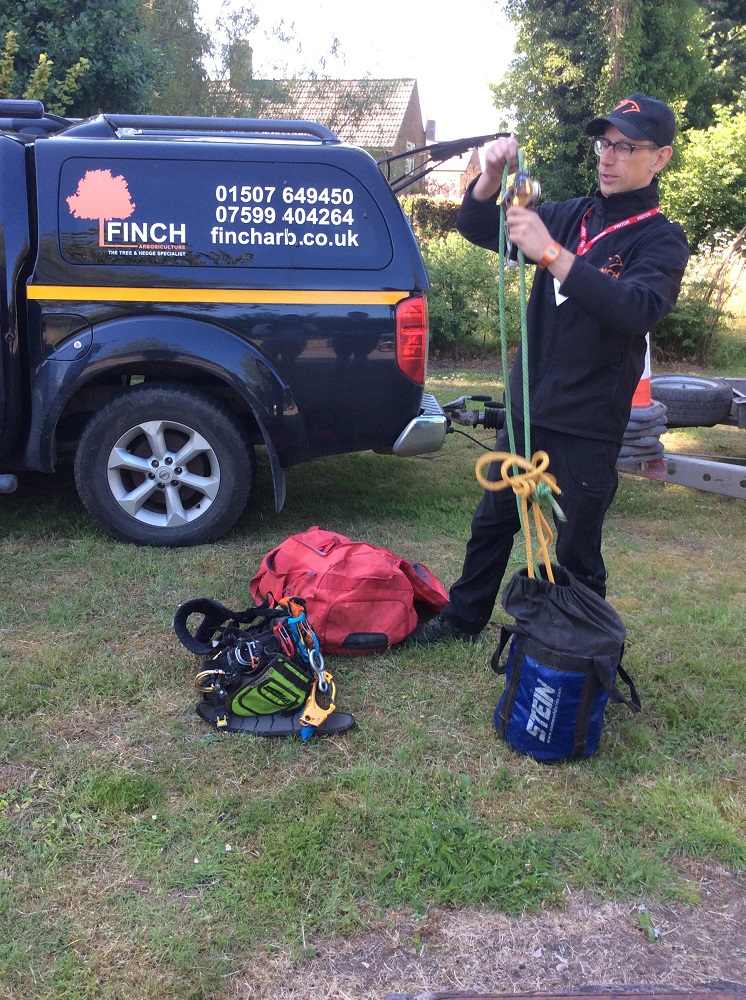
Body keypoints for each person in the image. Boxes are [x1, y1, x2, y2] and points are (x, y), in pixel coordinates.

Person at [413, 93, 690, 644]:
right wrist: (489, 176)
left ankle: (580, 642)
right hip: (527, 408)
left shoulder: (661, 239)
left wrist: (551, 255)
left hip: (587, 421)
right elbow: (475, 225)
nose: (608, 157)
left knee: (575, 545)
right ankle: (463, 619)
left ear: (659, 158)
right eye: (604, 143)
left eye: (625, 146)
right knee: (493, 520)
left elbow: (636, 307)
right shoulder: (573, 215)